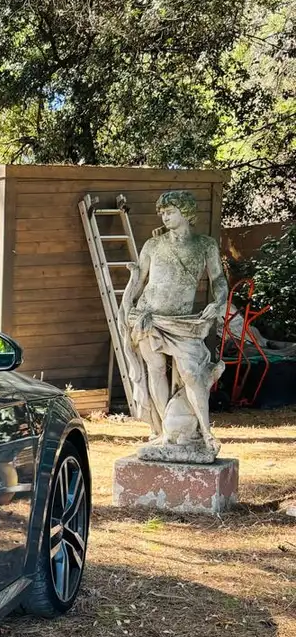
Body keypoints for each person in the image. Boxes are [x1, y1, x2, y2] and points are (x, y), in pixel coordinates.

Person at [119, 190, 228, 460]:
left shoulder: (205, 245)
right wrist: (127, 308)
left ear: (186, 213)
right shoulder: (153, 245)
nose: (165, 217)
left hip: (183, 323)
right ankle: (164, 432)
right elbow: (138, 281)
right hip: (149, 317)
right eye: (163, 213)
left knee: (192, 374)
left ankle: (205, 432)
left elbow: (219, 280)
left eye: (170, 212)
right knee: (155, 371)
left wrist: (219, 301)